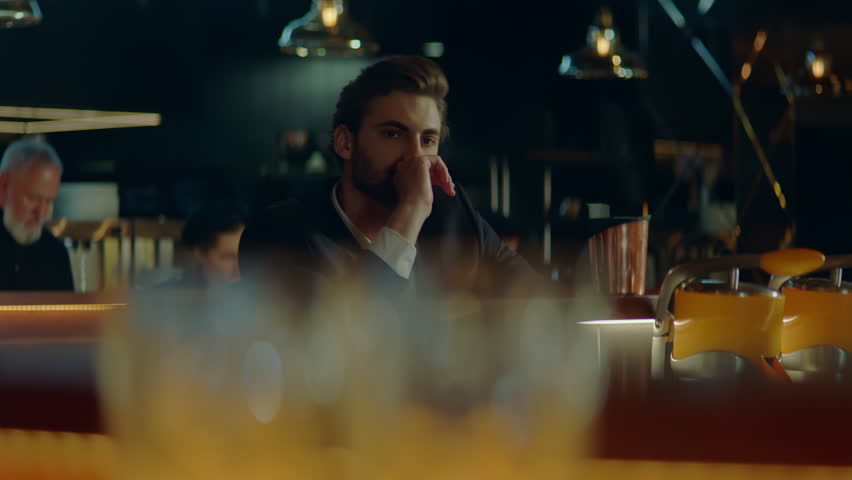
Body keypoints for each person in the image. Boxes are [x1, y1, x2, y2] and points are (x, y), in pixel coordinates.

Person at [240, 56, 545, 301]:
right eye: (393, 134)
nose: (414, 156)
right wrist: (410, 212)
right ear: (346, 142)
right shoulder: (278, 233)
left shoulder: (453, 215)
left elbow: (535, 302)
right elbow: (337, 338)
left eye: (428, 140)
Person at [0, 137, 73, 291]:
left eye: (49, 201)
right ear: (4, 187)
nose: (41, 214)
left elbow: (68, 314)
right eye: (32, 198)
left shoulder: (55, 255)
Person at [159, 205, 246, 288]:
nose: (239, 268)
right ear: (201, 254)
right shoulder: (168, 296)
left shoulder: (256, 293)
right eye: (228, 257)